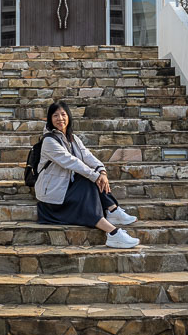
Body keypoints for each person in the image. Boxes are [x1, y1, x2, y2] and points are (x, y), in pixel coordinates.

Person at [34, 99, 140, 248]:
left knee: (91, 179)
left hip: (65, 187)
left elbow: (88, 156)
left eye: (63, 114)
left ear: (69, 117)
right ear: (50, 120)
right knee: (88, 181)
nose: (60, 119)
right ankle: (113, 232)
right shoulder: (49, 141)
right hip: (51, 196)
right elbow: (71, 161)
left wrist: (101, 171)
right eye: (55, 116)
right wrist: (96, 176)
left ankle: (112, 211)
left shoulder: (73, 139)